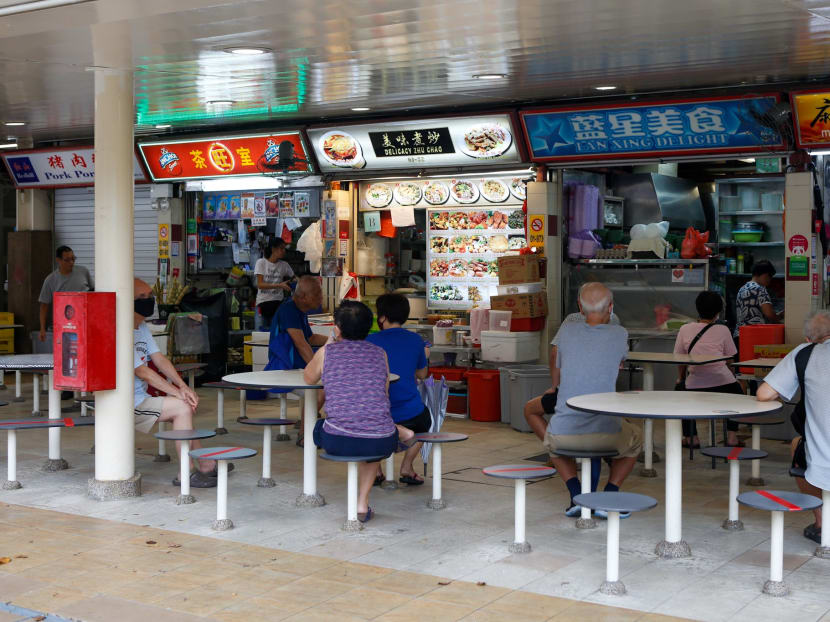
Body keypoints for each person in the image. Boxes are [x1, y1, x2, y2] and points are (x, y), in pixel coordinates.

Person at [303, 301, 414, 523]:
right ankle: (362, 504)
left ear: (337, 328)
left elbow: (308, 378)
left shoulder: (327, 352)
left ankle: (396, 432)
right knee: (373, 434)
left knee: (315, 428)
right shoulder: (379, 353)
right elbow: (383, 393)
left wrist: (329, 343)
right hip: (378, 440)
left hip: (337, 440)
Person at [543, 283, 642, 518]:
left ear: (580, 307)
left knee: (554, 443)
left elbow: (559, 359)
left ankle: (577, 494)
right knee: (636, 439)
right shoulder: (620, 334)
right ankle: (608, 495)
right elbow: (618, 364)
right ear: (611, 307)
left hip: (562, 433)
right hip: (605, 431)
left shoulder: (565, 333)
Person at [133, 278, 220, 488]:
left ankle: (205, 464)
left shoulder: (141, 327)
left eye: (150, 296)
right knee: (181, 407)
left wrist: (182, 386)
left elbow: (159, 359)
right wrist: (176, 392)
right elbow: (142, 372)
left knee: (184, 404)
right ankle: (186, 472)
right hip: (126, 404)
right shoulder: (119, 329)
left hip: (141, 398)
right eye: (141, 297)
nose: (148, 301)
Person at [757, 310, 830, 544]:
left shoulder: (804, 353)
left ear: (808, 339)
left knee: (798, 444)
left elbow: (764, 393)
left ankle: (822, 522)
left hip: (824, 459)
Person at [523, 305, 620, 441]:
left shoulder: (573, 319)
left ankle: (559, 453)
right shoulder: (613, 319)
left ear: (580, 305)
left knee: (530, 410)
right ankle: (609, 454)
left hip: (572, 395)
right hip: (603, 394)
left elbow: (555, 353)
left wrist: (554, 386)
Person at [367, 294, 431, 485]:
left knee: (370, 428)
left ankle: (377, 471)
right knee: (425, 422)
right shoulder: (416, 340)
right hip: (410, 413)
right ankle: (407, 466)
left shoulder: (369, 341)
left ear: (382, 317)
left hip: (378, 412)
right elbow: (422, 375)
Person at [674, 291, 742, 448]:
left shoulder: (685, 329)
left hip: (694, 385)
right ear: (718, 312)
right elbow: (730, 360)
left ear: (698, 308)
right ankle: (732, 436)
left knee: (680, 392)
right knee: (738, 393)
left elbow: (680, 359)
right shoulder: (723, 330)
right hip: (724, 384)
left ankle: (692, 438)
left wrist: (680, 378)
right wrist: (732, 377)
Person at [267, 275, 328, 445]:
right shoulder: (289, 310)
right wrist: (318, 371)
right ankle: (304, 435)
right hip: (286, 368)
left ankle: (308, 421)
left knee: (320, 389)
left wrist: (337, 340)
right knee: (320, 390)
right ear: (303, 297)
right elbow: (301, 345)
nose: (321, 298)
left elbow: (311, 338)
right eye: (317, 295)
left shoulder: (299, 311)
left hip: (297, 368)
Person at [38, 245, 94, 342]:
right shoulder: (50, 280)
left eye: (73, 259)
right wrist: (42, 328)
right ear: (58, 260)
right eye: (67, 260)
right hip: (65, 325)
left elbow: (93, 293)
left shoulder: (83, 271)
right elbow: (44, 305)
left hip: (85, 321)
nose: (71, 262)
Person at [254, 238, 296, 329]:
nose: (284, 251)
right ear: (273, 249)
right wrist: (280, 285)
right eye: (281, 248)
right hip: (263, 303)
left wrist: (297, 282)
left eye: (284, 248)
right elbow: (260, 284)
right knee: (262, 335)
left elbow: (294, 278)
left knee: (275, 332)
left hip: (278, 304)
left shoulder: (284, 265)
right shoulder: (261, 263)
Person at [734, 260, 781, 340]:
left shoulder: (742, 288)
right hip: (754, 336)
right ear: (765, 275)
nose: (769, 281)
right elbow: (769, 314)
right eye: (770, 277)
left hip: (740, 335)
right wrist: (779, 320)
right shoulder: (760, 289)